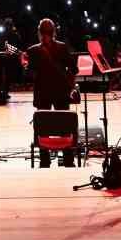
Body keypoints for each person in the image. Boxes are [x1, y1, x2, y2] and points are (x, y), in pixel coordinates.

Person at [21, 17, 77, 167]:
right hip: (61, 91)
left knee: (42, 128)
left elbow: (27, 76)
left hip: (42, 92)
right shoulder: (63, 47)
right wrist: (69, 84)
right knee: (65, 127)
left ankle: (45, 160)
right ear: (54, 32)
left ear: (39, 33)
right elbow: (74, 69)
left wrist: (24, 64)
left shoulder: (32, 51)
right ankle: (68, 160)